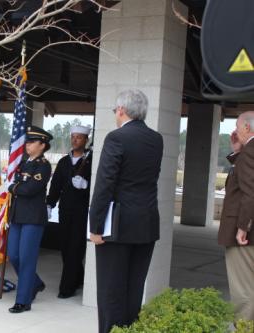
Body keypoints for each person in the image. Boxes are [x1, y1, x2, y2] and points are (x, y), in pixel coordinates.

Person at [89, 89, 163, 333]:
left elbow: (104, 185)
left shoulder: (116, 138)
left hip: (117, 226)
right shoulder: (156, 139)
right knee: (134, 289)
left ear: (121, 110)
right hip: (147, 223)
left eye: (114, 111)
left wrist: (96, 227)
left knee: (111, 291)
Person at [7, 126, 53, 313]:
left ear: (42, 145)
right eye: (27, 141)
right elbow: (21, 185)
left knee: (26, 258)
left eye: (32, 142)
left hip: (33, 217)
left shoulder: (43, 165)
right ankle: (35, 283)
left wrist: (13, 187)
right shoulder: (24, 163)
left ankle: (23, 301)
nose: (28, 145)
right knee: (14, 255)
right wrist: (17, 185)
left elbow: (29, 189)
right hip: (18, 214)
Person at [46, 125, 92, 299]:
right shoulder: (65, 161)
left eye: (79, 137)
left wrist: (86, 185)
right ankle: (78, 277)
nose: (75, 140)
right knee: (66, 247)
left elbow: (100, 186)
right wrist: (50, 204)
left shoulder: (90, 160)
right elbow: (56, 185)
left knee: (75, 247)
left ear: (86, 140)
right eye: (73, 137)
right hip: (65, 210)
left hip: (81, 211)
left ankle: (67, 287)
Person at [218, 111, 254, 321]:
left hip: (245, 236)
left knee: (244, 294)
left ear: (247, 128)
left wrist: (243, 226)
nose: (235, 130)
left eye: (238, 126)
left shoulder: (251, 151)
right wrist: (237, 150)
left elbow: (251, 192)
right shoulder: (247, 151)